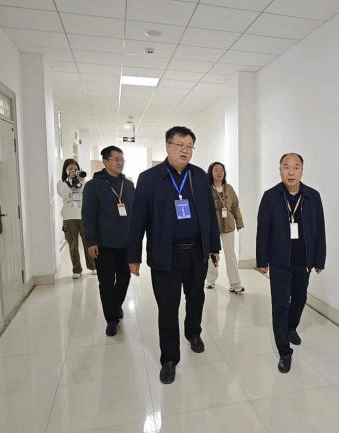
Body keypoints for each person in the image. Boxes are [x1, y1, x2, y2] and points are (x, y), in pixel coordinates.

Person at [128, 126, 220, 384]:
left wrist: (213, 247)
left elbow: (210, 214)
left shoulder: (199, 176)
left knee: (196, 297)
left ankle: (193, 332)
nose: (185, 151)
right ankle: (169, 358)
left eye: (189, 146)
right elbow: (137, 220)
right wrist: (133, 255)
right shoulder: (149, 179)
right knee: (168, 307)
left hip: (196, 253)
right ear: (167, 146)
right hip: (165, 255)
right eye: (180, 145)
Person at [256, 153, 326, 373]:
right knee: (280, 305)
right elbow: (263, 230)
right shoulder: (270, 197)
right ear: (280, 171)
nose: (291, 171)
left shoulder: (313, 196)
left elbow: (320, 229)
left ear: (302, 171)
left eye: (296, 167)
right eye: (286, 167)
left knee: (300, 299)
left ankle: (291, 327)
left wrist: (319, 258)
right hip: (279, 261)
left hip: (303, 261)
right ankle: (284, 352)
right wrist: (261, 260)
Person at [82, 146, 135, 337]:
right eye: (116, 159)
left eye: (122, 159)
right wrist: (91, 241)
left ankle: (115, 305)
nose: (120, 163)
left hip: (126, 243)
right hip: (103, 244)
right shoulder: (93, 186)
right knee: (106, 283)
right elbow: (88, 215)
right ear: (105, 162)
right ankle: (111, 320)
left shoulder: (128, 185)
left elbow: (135, 213)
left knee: (124, 278)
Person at [205, 162, 245, 293]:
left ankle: (235, 282)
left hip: (228, 226)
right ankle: (210, 279)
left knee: (230, 254)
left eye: (221, 170)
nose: (219, 172)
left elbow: (235, 206)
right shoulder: (206, 189)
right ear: (211, 172)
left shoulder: (229, 188)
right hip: (212, 227)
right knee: (213, 254)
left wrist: (239, 222)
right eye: (216, 170)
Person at [57, 158, 96, 279]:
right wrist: (70, 180)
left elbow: (88, 194)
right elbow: (64, 195)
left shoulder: (84, 181)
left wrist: (80, 181)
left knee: (88, 243)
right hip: (69, 217)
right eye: (70, 169)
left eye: (75, 168)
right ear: (66, 170)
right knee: (73, 245)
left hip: (84, 216)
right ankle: (77, 270)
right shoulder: (61, 183)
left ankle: (93, 267)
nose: (74, 171)